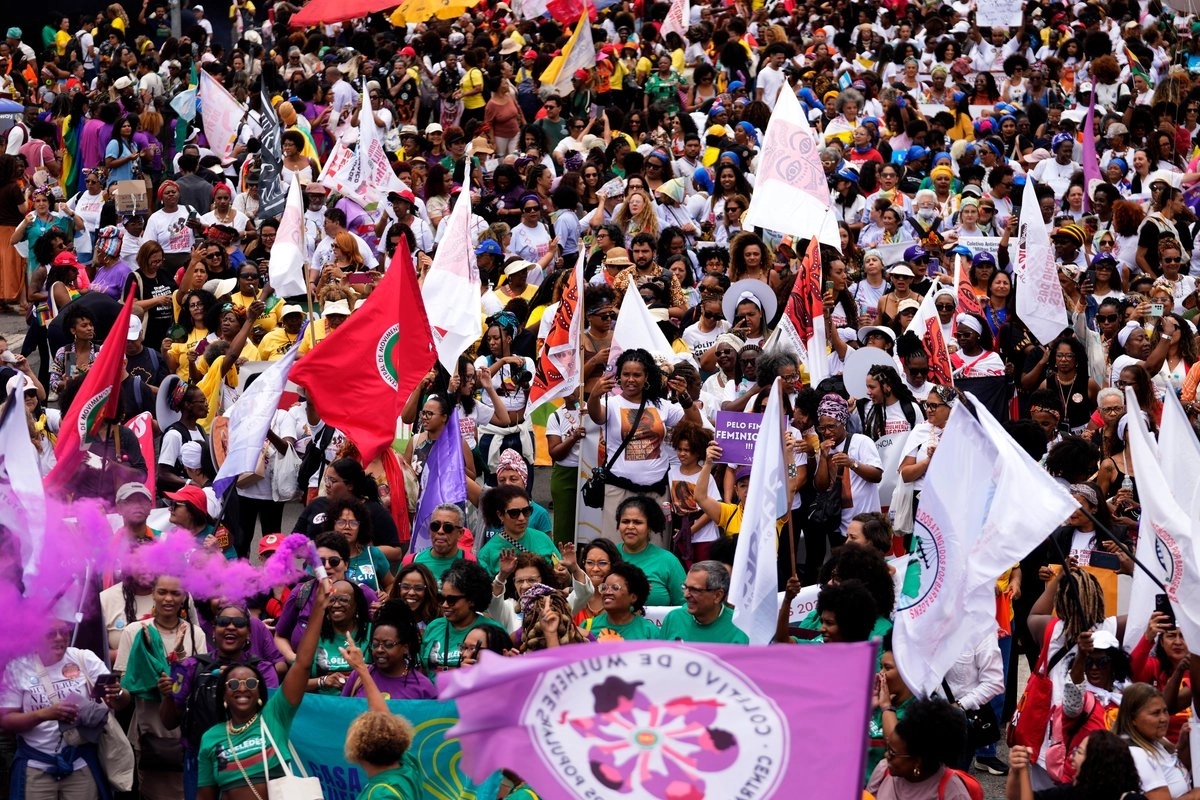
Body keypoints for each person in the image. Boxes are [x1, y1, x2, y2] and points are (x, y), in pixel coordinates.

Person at [195, 579, 329, 800]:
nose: (242, 688)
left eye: (250, 683)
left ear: (260, 692)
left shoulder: (274, 717)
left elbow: (302, 664)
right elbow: (205, 796)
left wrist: (319, 609)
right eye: (233, 684)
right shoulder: (210, 738)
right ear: (224, 695)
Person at [161, 602, 280, 800]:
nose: (231, 627)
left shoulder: (263, 670)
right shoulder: (192, 666)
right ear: (214, 631)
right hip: (200, 760)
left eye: (239, 623)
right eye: (224, 622)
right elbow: (169, 722)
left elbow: (272, 718)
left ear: (249, 633)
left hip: (250, 757)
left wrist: (239, 683)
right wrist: (167, 695)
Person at [587, 348, 702, 542]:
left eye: (637, 375)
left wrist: (684, 397)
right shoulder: (612, 404)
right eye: (626, 374)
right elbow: (596, 416)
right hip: (619, 489)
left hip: (657, 490)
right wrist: (594, 396)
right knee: (616, 547)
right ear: (619, 376)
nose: (631, 379)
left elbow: (695, 424)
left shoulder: (661, 405)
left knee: (657, 545)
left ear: (646, 376)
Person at [1, 618, 122, 800]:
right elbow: (6, 720)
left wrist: (118, 693)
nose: (59, 638)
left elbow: (120, 702)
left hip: (80, 764)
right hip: (36, 768)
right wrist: (43, 715)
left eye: (64, 632)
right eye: (51, 633)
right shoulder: (18, 668)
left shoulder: (84, 658)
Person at [112, 575, 206, 800]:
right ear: (153, 594)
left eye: (175, 593)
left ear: (184, 597)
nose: (168, 599)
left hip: (185, 734)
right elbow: (127, 691)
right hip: (149, 735)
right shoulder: (135, 632)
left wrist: (178, 687)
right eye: (162, 592)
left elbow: (199, 686)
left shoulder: (195, 634)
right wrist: (115, 694)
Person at [866, 697, 972, 799]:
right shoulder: (883, 770)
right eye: (888, 748)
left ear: (917, 761)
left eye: (892, 753)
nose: (886, 755)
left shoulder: (954, 794)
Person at [421, 560, 505, 675]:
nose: (444, 605)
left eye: (451, 600)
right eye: (441, 598)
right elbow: (422, 671)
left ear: (472, 599)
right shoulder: (434, 627)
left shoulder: (493, 631)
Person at [1007, 730, 1145, 800]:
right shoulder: (1073, 792)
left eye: (1078, 752)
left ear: (1096, 764)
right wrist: (1016, 770)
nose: (1072, 758)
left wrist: (1024, 770)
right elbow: (1018, 798)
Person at [342, 600, 436, 700]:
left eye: (388, 645)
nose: (379, 650)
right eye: (375, 644)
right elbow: (341, 707)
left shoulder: (423, 686)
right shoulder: (359, 675)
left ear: (405, 648)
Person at [1114, 684, 1192, 800]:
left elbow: (1176, 774)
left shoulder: (1158, 740)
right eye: (1156, 713)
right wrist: (1195, 795)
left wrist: (1182, 747)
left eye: (1165, 711)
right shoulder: (1136, 754)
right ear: (1133, 718)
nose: (1164, 718)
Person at [476, 484, 561, 577]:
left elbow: (562, 574)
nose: (521, 518)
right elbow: (484, 586)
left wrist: (567, 574)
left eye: (526, 511)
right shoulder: (487, 554)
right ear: (500, 515)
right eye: (514, 513)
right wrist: (502, 576)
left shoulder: (543, 538)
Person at [659, 561, 749, 644]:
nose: (686, 595)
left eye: (695, 590)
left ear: (718, 595)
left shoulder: (740, 626)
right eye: (685, 587)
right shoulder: (674, 619)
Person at [324, 498, 395, 596]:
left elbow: (391, 584)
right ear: (332, 525)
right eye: (341, 522)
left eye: (353, 523)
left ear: (361, 528)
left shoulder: (373, 554)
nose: (347, 527)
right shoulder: (321, 555)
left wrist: (387, 596)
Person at [581, 562, 659, 641]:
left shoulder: (650, 632)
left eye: (615, 588)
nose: (607, 592)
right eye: (604, 587)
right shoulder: (587, 626)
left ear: (633, 597)